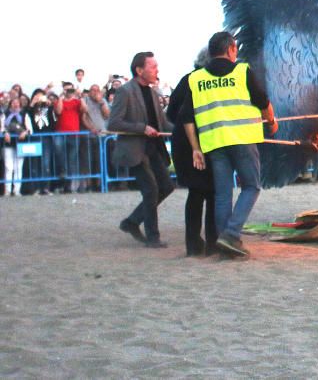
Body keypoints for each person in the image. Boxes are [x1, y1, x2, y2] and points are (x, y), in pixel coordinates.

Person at [183, 31, 277, 258]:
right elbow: (263, 101)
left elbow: (187, 117)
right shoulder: (242, 71)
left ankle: (224, 244)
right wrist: (272, 123)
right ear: (230, 49)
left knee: (223, 195)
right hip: (242, 139)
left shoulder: (196, 79)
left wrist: (196, 148)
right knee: (251, 186)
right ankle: (231, 235)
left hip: (214, 144)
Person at [107, 51, 174, 248]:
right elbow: (114, 122)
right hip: (135, 151)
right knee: (151, 190)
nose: (157, 70)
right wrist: (141, 128)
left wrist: (187, 130)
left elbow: (163, 123)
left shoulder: (153, 93)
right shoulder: (125, 91)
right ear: (139, 70)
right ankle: (153, 237)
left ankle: (132, 222)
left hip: (153, 150)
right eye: (152, 66)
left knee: (166, 187)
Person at [167, 48, 218, 257]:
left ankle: (193, 244)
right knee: (213, 193)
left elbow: (171, 112)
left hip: (183, 143)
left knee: (196, 194)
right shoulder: (206, 82)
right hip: (204, 141)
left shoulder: (186, 80)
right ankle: (212, 242)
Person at [52, 83, 85, 193]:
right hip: (61, 133)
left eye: (71, 90)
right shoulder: (59, 101)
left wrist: (80, 96)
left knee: (72, 159)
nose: (69, 91)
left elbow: (85, 110)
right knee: (60, 155)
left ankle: (71, 185)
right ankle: (63, 176)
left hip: (74, 133)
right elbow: (59, 111)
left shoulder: (76, 101)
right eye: (67, 90)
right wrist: (61, 97)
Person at [82, 84, 111, 192]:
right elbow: (83, 117)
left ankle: (100, 184)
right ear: (89, 91)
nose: (95, 92)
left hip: (102, 135)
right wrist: (91, 128)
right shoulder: (85, 100)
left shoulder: (102, 101)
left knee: (100, 161)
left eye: (97, 90)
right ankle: (90, 184)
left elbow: (107, 115)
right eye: (93, 90)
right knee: (89, 161)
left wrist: (101, 102)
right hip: (89, 135)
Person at [3, 98, 31, 195]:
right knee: (8, 167)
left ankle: (17, 189)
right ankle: (7, 189)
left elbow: (30, 129)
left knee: (19, 167)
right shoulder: (5, 114)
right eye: (13, 103)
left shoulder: (24, 115)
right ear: (10, 104)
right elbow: (2, 127)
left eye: (17, 103)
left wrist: (25, 132)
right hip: (8, 143)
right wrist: (5, 133)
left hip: (20, 143)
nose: (15, 105)